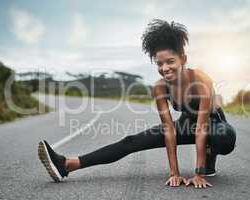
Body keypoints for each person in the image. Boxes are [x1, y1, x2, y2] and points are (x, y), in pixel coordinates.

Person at [38, 19, 236, 188]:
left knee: (223, 136)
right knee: (131, 141)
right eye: (159, 63)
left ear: (183, 59)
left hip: (212, 124)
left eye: (170, 61)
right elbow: (169, 130)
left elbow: (202, 128)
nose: (165, 68)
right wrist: (174, 173)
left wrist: (198, 173)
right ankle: (68, 165)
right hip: (186, 124)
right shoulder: (160, 87)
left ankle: (208, 161)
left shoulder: (200, 80)